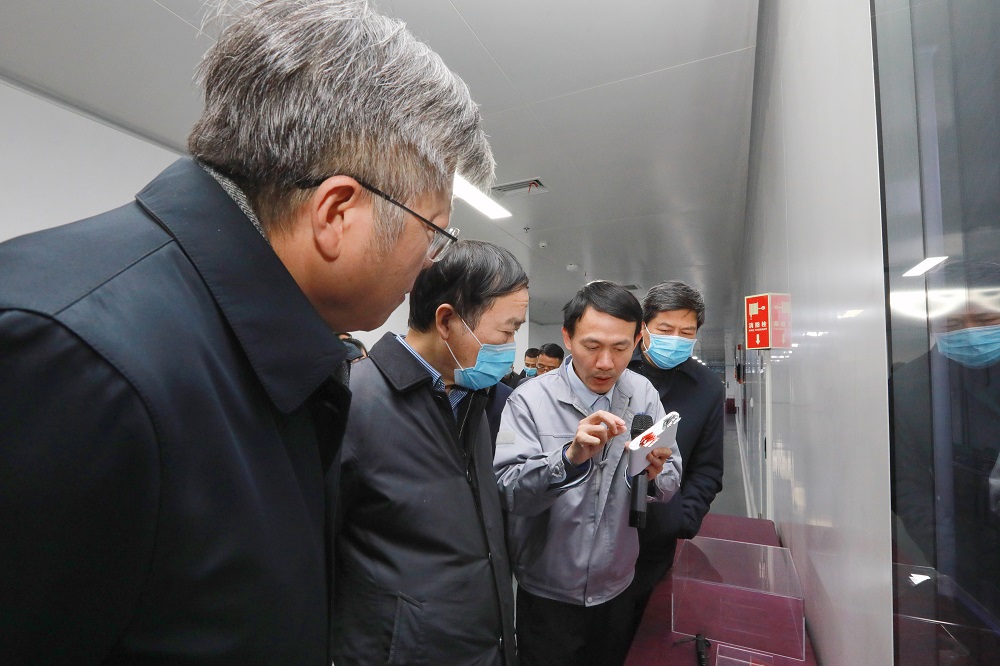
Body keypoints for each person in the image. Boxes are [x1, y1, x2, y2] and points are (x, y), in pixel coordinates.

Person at [0, 1, 493, 663]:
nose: (431, 262)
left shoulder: (263, 350)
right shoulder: (69, 358)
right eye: (432, 232)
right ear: (336, 213)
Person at [333, 240, 526, 665]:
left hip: (481, 644)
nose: (511, 347)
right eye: (507, 331)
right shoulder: (351, 402)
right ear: (447, 321)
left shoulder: (473, 396)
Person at [494, 281, 683, 666]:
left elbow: (670, 478)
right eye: (592, 346)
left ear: (638, 341)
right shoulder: (529, 400)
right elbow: (510, 490)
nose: (606, 363)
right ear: (567, 337)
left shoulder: (643, 394)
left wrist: (650, 475)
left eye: (621, 348)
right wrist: (569, 458)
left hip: (617, 586)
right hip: (547, 591)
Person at [892, 260, 1000, 622]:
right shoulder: (910, 388)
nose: (971, 333)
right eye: (952, 324)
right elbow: (908, 487)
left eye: (985, 320)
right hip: (965, 552)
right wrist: (953, 561)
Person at [624, 280, 725, 627]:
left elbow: (708, 468)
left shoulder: (707, 387)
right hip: (600, 529)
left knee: (646, 629)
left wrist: (682, 519)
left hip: (658, 537)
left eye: (686, 332)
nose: (676, 339)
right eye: (666, 330)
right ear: (643, 327)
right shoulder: (617, 370)